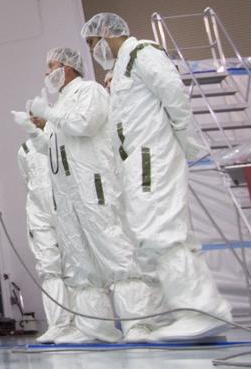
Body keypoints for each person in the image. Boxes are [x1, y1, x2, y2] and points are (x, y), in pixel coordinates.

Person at [81, 12, 232, 341]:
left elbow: (174, 94)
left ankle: (202, 310)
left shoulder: (141, 53)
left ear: (108, 32)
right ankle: (181, 315)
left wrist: (184, 138)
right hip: (138, 159)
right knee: (150, 239)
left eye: (94, 41)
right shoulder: (120, 69)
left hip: (152, 154)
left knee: (160, 231)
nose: (94, 49)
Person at [21, 46, 159, 343]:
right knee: (80, 263)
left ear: (69, 67)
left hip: (93, 186)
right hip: (68, 195)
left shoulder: (90, 91)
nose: (48, 72)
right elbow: (52, 151)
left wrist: (50, 115)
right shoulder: (62, 103)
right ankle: (95, 328)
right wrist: (40, 129)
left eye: (52, 65)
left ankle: (137, 323)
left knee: (114, 251)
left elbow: (85, 125)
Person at [14, 121, 77, 344]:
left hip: (66, 206)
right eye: (31, 116)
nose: (34, 120)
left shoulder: (64, 138)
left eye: (38, 115)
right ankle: (58, 325)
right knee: (48, 267)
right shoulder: (24, 149)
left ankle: (81, 323)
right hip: (38, 210)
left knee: (75, 266)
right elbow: (27, 179)